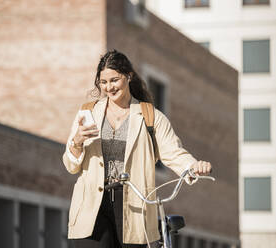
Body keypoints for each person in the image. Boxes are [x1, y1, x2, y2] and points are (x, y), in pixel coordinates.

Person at [62, 50, 212, 248]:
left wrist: (193, 166)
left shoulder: (151, 116)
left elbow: (173, 152)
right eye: (103, 82)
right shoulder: (88, 112)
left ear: (129, 76)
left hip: (134, 207)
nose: (109, 87)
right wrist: (77, 141)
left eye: (114, 80)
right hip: (91, 207)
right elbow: (71, 165)